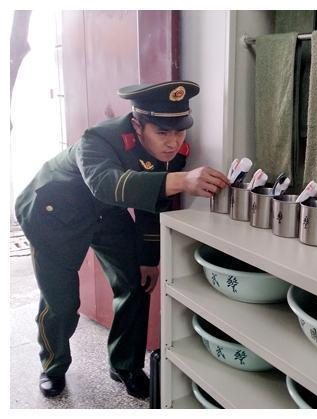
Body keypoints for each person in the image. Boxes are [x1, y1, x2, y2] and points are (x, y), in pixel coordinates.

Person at [14, 80, 229, 399]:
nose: (173, 143)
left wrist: (148, 258)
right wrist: (182, 180)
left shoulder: (172, 154)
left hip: (106, 212)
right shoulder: (97, 139)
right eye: (162, 133)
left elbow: (152, 200)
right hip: (53, 212)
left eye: (180, 132)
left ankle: (125, 365)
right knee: (61, 301)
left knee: (136, 284)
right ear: (137, 125)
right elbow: (106, 185)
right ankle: (53, 366)